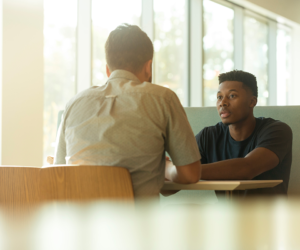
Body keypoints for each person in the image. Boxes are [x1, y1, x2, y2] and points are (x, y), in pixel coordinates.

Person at [54, 24, 201, 198]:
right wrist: (166, 168)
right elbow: (190, 174)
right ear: (149, 67)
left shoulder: (74, 103)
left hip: (77, 222)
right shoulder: (163, 98)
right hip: (137, 223)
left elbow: (58, 172)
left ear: (108, 69)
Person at [196, 70, 292, 197]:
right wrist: (170, 169)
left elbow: (247, 168)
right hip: (226, 215)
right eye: (219, 97)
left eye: (232, 96)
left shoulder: (277, 131)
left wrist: (183, 171)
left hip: (269, 215)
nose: (222, 103)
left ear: (252, 102)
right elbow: (168, 189)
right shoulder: (208, 136)